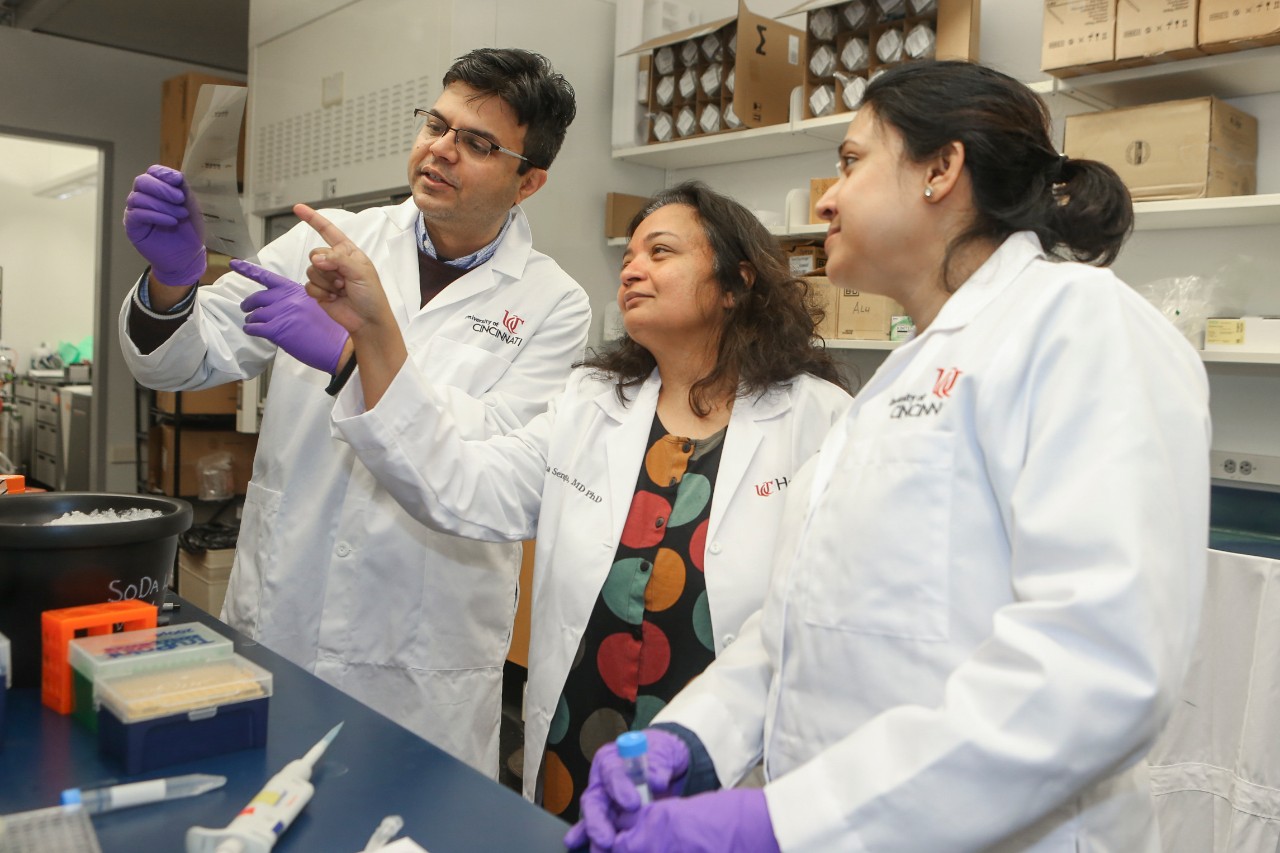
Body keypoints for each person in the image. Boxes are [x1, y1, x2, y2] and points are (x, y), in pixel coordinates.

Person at [569, 59, 1212, 852]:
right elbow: (801, 627)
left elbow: (1096, 668)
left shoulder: (1079, 324)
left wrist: (781, 821)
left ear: (942, 168)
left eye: (851, 161)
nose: (826, 197)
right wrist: (695, 737)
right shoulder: (901, 378)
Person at [240, 181, 852, 821]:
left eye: (661, 252)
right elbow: (462, 485)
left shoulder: (816, 420)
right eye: (629, 258)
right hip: (580, 745)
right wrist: (365, 346)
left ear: (736, 284)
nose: (633, 270)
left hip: (728, 767)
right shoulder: (590, 404)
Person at [118, 47, 589, 776]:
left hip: (419, 666)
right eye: (438, 124)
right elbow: (185, 358)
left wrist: (354, 356)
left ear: (529, 180)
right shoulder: (324, 239)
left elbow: (489, 470)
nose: (441, 149)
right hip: (283, 616)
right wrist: (173, 285)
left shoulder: (552, 303)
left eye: (477, 143)